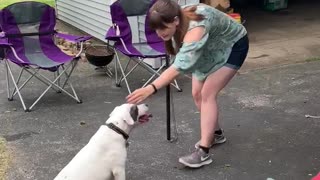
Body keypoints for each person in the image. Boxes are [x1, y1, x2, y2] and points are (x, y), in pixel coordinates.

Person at [127, 0, 249, 168]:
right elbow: (182, 55)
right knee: (197, 94)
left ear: (175, 20)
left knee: (207, 94)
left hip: (233, 46)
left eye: (162, 28)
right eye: (156, 29)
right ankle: (217, 134)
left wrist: (151, 87)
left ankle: (204, 152)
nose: (159, 33)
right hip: (209, 47)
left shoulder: (197, 27)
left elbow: (180, 64)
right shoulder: (177, 17)